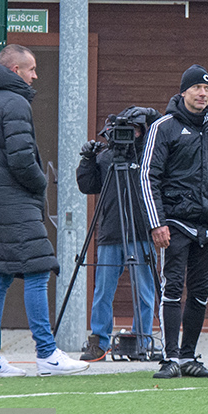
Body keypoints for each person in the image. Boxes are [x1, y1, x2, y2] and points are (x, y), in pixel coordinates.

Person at [0, 44, 89, 377]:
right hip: (17, 202)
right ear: (15, 71)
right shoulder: (15, 102)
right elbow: (21, 158)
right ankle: (47, 354)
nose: (35, 75)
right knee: (38, 271)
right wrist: (41, 184)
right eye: (31, 69)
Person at [141, 64, 208, 379]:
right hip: (175, 222)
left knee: (200, 292)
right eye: (197, 88)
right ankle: (169, 358)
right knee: (172, 287)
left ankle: (188, 357)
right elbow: (148, 176)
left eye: (207, 89)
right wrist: (156, 222)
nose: (202, 94)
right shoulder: (164, 127)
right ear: (183, 91)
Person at [76, 106, 161, 362]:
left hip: (142, 232)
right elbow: (87, 185)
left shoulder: (149, 155)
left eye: (135, 130)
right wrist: (87, 160)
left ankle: (142, 341)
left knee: (144, 292)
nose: (130, 135)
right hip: (111, 234)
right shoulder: (105, 158)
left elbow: (159, 129)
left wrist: (149, 116)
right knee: (102, 291)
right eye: (125, 130)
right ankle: (99, 343)